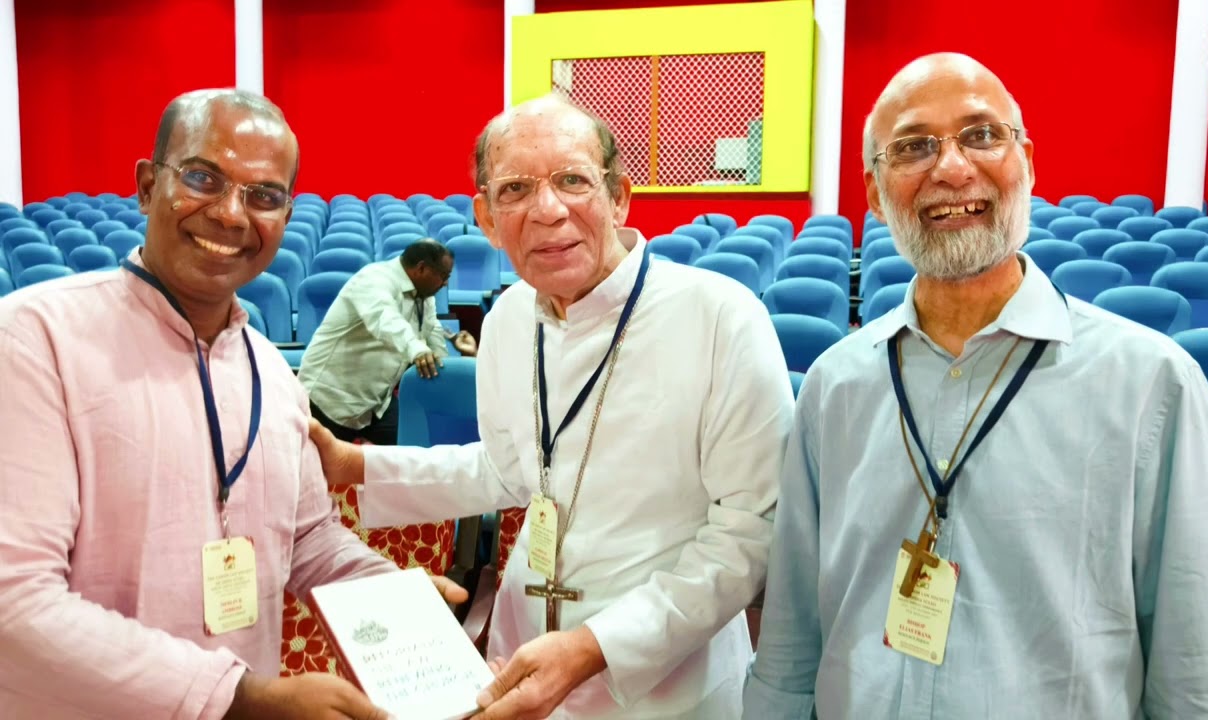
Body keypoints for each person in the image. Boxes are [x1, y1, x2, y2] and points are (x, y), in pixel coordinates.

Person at [742, 52, 1208, 718]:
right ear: (873, 192)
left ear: (1027, 163)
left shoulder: (1152, 385)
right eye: (914, 147)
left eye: (981, 135)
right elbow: (791, 641)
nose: (952, 168)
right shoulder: (835, 386)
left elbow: (1199, 670)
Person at [307, 94, 794, 719]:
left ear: (618, 197)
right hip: (519, 657)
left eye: (572, 180)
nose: (548, 210)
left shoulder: (721, 317)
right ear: (487, 217)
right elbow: (509, 469)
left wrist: (595, 647)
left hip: (667, 680)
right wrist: (354, 464)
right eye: (515, 189)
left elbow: (749, 530)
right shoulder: (509, 317)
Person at [0, 88, 464, 719]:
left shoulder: (271, 372)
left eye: (264, 196)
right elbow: (15, 599)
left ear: (285, 216)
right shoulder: (35, 340)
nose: (229, 214)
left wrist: (393, 594)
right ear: (147, 187)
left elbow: (307, 540)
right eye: (202, 178)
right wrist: (237, 697)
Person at [299, 239, 478, 445]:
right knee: (323, 464)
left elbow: (432, 331)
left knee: (412, 451)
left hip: (376, 403)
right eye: (444, 276)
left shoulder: (425, 295)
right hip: (329, 400)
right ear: (421, 268)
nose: (445, 283)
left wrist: (448, 365)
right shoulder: (374, 279)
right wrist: (417, 349)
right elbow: (385, 320)